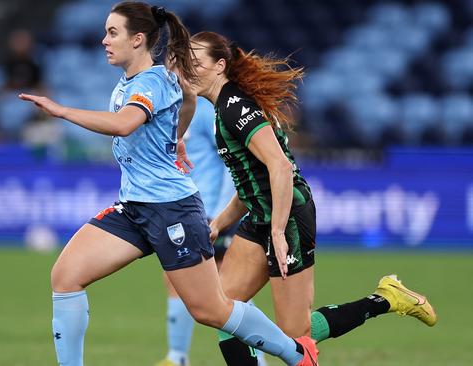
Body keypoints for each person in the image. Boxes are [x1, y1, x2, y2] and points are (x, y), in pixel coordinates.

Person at [18, 2, 318, 366]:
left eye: (113, 33)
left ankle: (297, 355)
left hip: (172, 209)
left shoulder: (152, 81)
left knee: (212, 310)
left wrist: (62, 110)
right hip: (134, 207)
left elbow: (124, 124)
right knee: (65, 275)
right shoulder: (139, 81)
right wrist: (175, 137)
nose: (104, 40)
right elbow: (188, 99)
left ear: (138, 39)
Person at [188, 31, 437, 365]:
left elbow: (280, 168)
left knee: (295, 335)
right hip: (262, 217)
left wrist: (277, 231)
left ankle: (385, 299)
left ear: (219, 66)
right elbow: (252, 182)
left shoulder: (236, 107)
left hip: (287, 216)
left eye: (195, 61)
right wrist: (219, 222)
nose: (187, 68)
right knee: (223, 311)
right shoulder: (223, 109)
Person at [155, 97, 267, 366]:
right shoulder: (171, 104)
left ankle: (259, 357)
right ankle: (177, 357)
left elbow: (232, 165)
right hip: (186, 208)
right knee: (177, 278)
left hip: (209, 211)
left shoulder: (205, 111)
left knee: (228, 290)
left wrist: (222, 215)